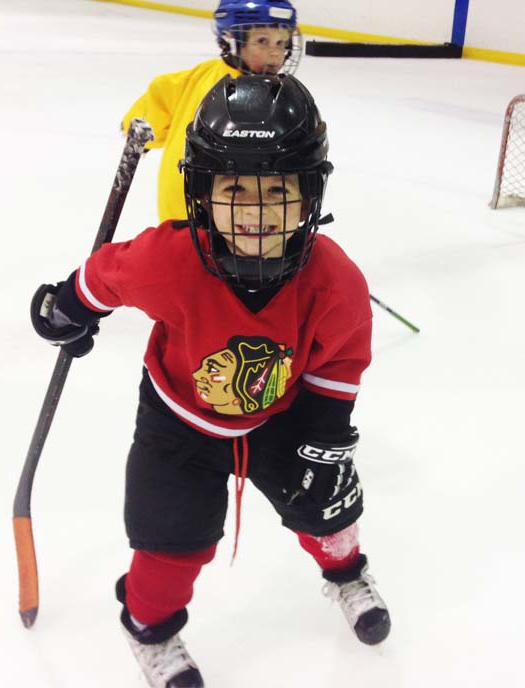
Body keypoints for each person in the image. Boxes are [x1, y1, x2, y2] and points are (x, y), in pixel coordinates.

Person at [31, 74, 391, 688]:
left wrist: (324, 431)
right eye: (234, 188)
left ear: (311, 193)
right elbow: (108, 274)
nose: (255, 211)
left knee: (327, 505)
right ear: (201, 193)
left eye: (278, 188)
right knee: (170, 539)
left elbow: (341, 358)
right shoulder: (172, 258)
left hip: (280, 417)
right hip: (178, 426)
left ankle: (346, 570)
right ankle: (150, 628)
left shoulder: (335, 280)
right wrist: (69, 305)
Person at [121, 0, 302, 222]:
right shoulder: (201, 82)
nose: (276, 53)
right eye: (262, 41)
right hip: (192, 216)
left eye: (282, 42)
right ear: (231, 40)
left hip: (244, 218)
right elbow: (160, 95)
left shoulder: (280, 95)